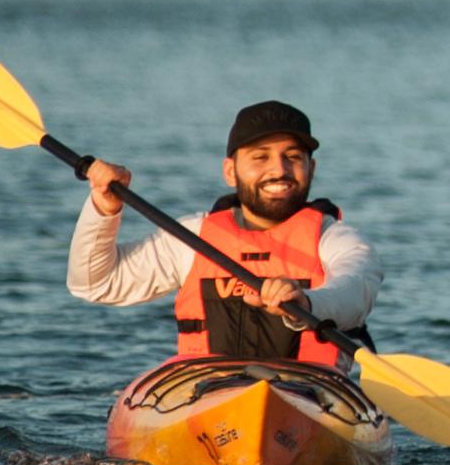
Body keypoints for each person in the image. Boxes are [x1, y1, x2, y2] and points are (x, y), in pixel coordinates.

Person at [67, 100, 381, 367]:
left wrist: (306, 303)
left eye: (293, 157)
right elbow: (94, 283)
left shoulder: (337, 239)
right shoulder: (194, 238)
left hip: (313, 398)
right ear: (230, 171)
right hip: (209, 396)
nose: (279, 169)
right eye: (260, 157)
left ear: (311, 169)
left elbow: (355, 292)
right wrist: (103, 209)